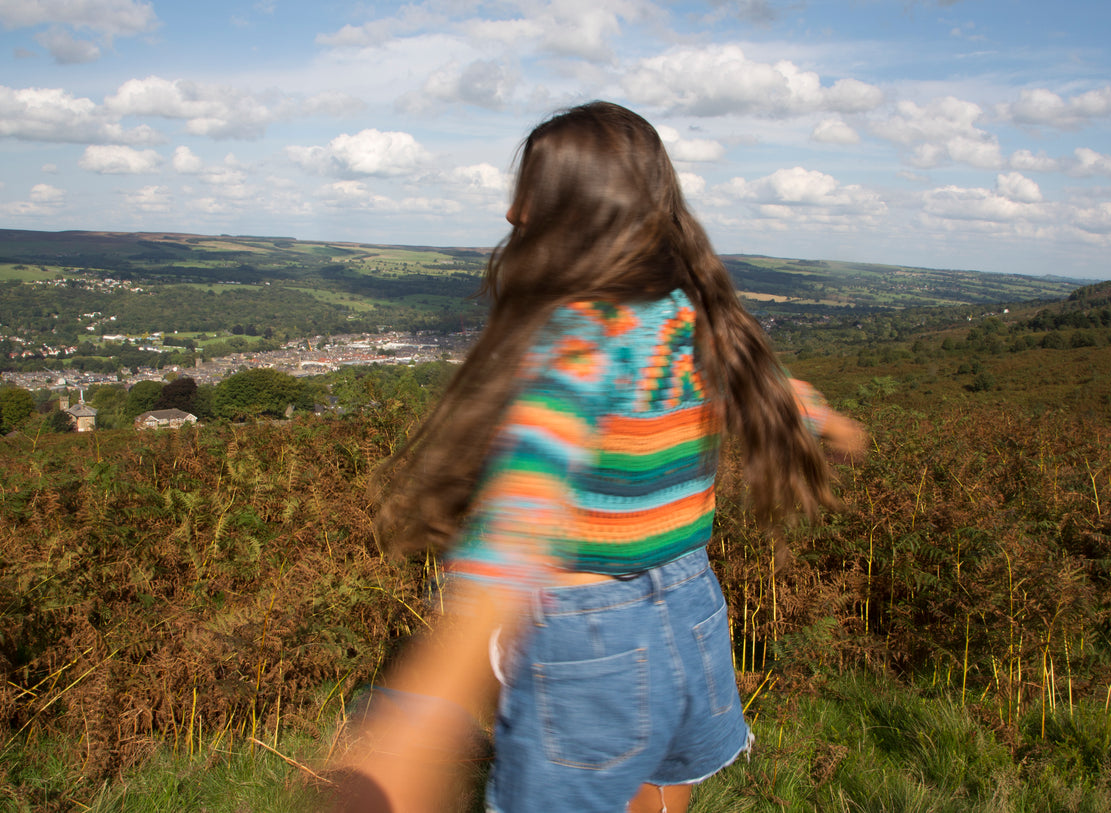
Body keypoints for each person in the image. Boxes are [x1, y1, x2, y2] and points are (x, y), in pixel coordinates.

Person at [355, 101, 865, 813]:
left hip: (588, 626)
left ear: (574, 207)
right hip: (692, 605)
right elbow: (772, 389)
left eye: (530, 188)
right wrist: (831, 422)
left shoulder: (580, 339)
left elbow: (519, 510)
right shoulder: (693, 314)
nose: (510, 212)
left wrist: (418, 720)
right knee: (660, 781)